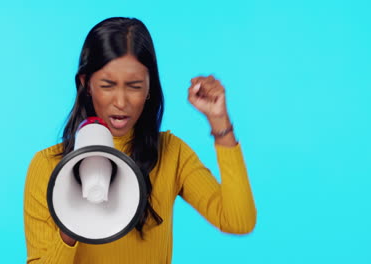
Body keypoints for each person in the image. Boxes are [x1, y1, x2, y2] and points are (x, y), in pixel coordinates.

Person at [23, 17, 256, 263]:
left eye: (134, 86)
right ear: (86, 84)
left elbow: (237, 221)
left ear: (149, 89)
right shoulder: (47, 166)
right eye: (107, 85)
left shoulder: (170, 153)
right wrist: (71, 223)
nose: (121, 102)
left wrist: (219, 121)